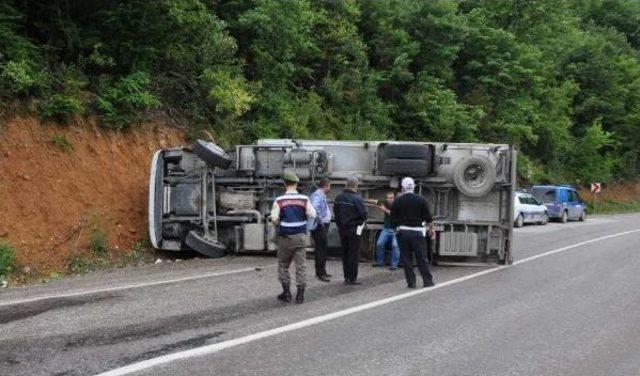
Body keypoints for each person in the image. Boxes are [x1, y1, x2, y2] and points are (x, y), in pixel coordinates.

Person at [270, 171, 316, 303]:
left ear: (285, 184)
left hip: (285, 237)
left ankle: (287, 293)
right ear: (296, 184)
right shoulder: (304, 199)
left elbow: (274, 218)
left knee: (283, 265)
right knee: (301, 266)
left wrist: (278, 222)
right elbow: (313, 214)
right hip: (301, 236)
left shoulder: (279, 200)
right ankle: (300, 295)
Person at [390, 177, 436, 288]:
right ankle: (428, 281)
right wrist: (432, 229)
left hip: (403, 232)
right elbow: (428, 218)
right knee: (422, 258)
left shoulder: (397, 201)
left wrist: (396, 229)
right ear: (413, 186)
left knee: (407, 259)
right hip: (417, 232)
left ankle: (411, 283)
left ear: (403, 187)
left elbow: (392, 219)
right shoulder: (421, 200)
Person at [333, 176, 367, 285]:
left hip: (342, 230)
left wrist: (339, 226)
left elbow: (336, 214)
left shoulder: (338, 198)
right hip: (354, 230)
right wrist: (359, 222)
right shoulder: (357, 199)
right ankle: (352, 278)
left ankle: (346, 277)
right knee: (354, 254)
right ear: (356, 185)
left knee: (345, 253)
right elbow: (363, 215)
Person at [309, 178, 332, 282]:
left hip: (320, 225)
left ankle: (322, 271)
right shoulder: (318, 195)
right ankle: (320, 273)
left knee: (322, 248)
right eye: (329, 186)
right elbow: (314, 208)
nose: (330, 188)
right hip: (319, 226)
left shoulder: (320, 194)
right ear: (326, 186)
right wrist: (321, 221)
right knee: (321, 249)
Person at [374, 191, 400, 270]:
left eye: (391, 198)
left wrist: (384, 209)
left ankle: (394, 265)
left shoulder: (398, 205)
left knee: (395, 246)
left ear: (394, 198)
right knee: (379, 244)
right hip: (386, 229)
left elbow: (394, 214)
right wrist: (363, 200)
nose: (389, 200)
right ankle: (379, 262)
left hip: (396, 230)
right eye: (388, 198)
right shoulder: (386, 203)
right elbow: (375, 201)